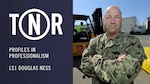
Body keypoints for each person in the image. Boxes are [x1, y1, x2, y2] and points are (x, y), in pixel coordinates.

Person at [80, 5, 146, 84]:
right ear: (104, 21)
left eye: (116, 17)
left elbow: (121, 77)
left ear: (121, 20)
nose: (113, 21)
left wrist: (95, 58)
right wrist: (114, 65)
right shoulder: (95, 41)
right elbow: (84, 66)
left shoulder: (132, 43)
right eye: (108, 17)